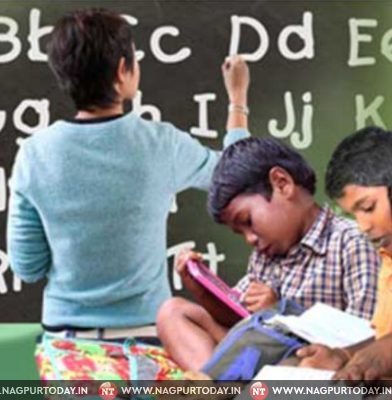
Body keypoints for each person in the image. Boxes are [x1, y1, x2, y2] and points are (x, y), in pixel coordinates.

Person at [7, 8, 250, 380]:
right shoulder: (160, 145)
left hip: (68, 352)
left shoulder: (34, 154)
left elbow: (27, 267)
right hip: (152, 344)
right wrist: (237, 98)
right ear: (123, 71)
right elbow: (237, 175)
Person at [157, 137, 379, 371]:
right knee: (172, 312)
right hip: (256, 358)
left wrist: (279, 317)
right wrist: (203, 292)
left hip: (309, 363)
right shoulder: (265, 256)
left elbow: (366, 342)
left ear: (282, 184)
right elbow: (237, 321)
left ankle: (222, 383)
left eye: (248, 221)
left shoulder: (352, 243)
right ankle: (216, 384)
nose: (250, 239)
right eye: (240, 232)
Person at [297, 126, 392, 381]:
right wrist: (343, 356)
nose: (363, 226)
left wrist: (381, 354)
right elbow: (385, 336)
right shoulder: (387, 255)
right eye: (354, 214)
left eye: (368, 207)